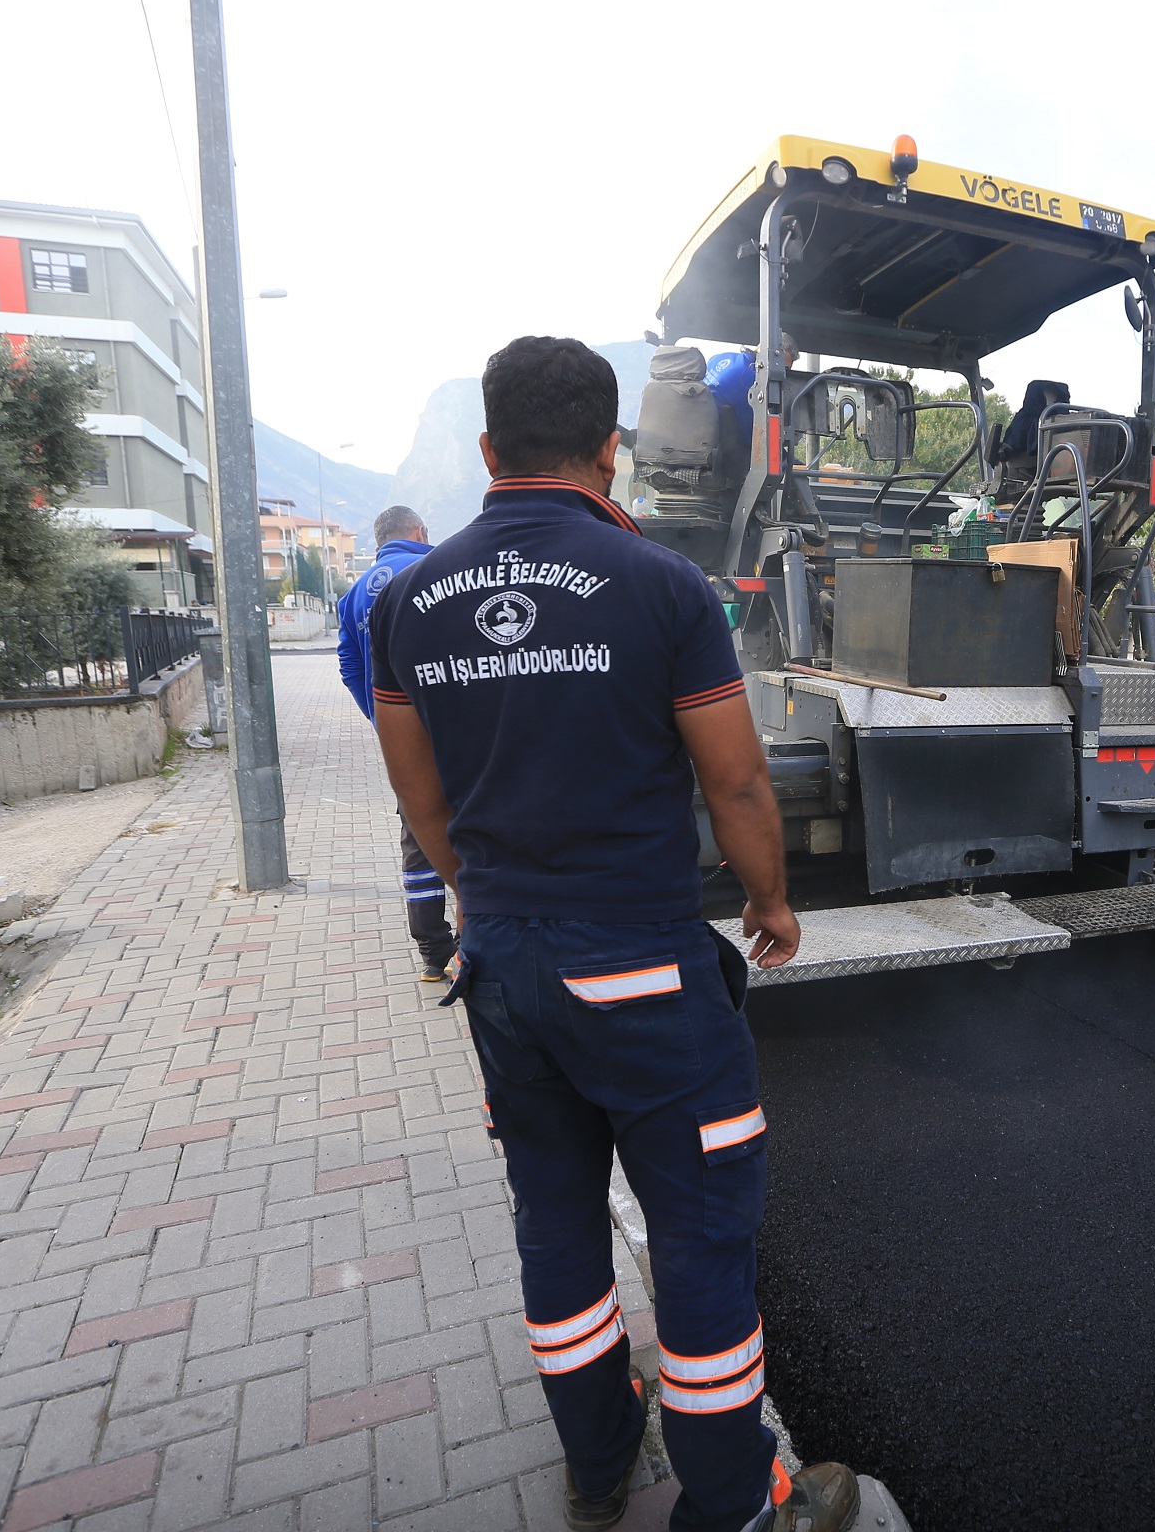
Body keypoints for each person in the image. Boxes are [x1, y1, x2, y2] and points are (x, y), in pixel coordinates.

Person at [368, 336, 862, 1532]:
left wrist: (480, 897)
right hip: (641, 973)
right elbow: (739, 785)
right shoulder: (660, 588)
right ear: (611, 452)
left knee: (555, 1219)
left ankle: (599, 1462)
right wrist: (770, 901)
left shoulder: (406, 602)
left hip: (504, 974)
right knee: (698, 1229)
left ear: (487, 451)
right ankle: (740, 1500)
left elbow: (418, 799)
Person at [336, 505, 457, 982]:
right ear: (420, 532)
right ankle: (476, 947)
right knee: (471, 830)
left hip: (401, 739)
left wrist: (383, 718)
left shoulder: (353, 595)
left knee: (418, 837)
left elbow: (349, 665)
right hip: (452, 729)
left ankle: (432, 951)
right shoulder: (437, 571)